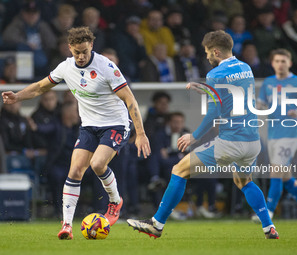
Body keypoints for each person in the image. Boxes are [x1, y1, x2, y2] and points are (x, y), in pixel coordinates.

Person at [2, 26, 151, 240]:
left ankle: (115, 202)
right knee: (75, 171)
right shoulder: (65, 67)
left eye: (85, 51)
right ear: (69, 48)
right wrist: (17, 97)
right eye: (76, 52)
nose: (81, 56)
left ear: (91, 46)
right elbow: (40, 87)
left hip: (115, 124)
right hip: (89, 126)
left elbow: (130, 99)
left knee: (98, 164)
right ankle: (67, 226)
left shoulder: (106, 67)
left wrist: (141, 133)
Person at [127, 30, 279, 239]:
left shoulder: (215, 74)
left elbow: (215, 110)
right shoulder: (246, 68)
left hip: (230, 141)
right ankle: (268, 227)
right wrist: (207, 89)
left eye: (207, 52)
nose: (206, 56)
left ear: (216, 51)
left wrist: (194, 136)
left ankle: (157, 223)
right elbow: (230, 94)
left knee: (179, 170)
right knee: (244, 181)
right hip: (252, 140)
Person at [255, 48, 297, 225]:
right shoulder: (268, 82)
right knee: (284, 175)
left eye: (284, 61)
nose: (280, 64)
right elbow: (260, 104)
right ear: (272, 63)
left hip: (289, 134)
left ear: (289, 63)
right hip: (273, 133)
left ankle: (268, 212)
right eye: (277, 61)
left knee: (275, 170)